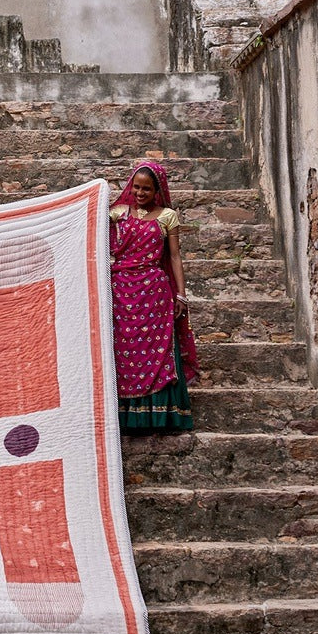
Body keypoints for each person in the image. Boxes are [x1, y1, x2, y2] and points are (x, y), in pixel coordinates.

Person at [109, 159, 198, 434]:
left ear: (157, 189)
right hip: (121, 292)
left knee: (156, 354)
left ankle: (158, 417)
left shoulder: (167, 216)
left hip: (155, 294)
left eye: (146, 189)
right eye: (136, 187)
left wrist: (181, 296)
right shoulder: (117, 213)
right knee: (124, 352)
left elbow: (173, 256)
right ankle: (124, 418)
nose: (139, 193)